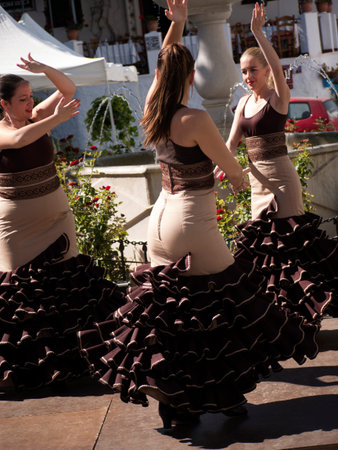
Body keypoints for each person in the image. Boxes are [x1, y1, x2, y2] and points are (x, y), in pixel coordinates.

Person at [78, 0, 320, 431]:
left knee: (175, 313)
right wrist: (246, 183)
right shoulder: (195, 117)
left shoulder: (154, 105)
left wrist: (179, 26)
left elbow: (161, 71)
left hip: (159, 223)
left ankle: (179, 403)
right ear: (191, 76)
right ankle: (221, 395)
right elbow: (230, 167)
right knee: (229, 303)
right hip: (193, 222)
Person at [0, 54, 125, 390]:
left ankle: (76, 360)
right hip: (16, 227)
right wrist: (53, 120)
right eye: (22, 99)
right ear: (4, 103)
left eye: (31, 97)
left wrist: (44, 71)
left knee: (67, 287)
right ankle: (23, 370)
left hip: (57, 217)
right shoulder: (4, 130)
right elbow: (19, 141)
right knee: (19, 293)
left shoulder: (37, 116)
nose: (31, 104)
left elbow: (68, 88)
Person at [224, 2, 337, 320]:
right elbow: (230, 145)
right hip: (258, 185)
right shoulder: (243, 103)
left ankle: (303, 313)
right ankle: (276, 316)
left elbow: (276, 69)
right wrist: (221, 167)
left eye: (252, 70)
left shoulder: (278, 98)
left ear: (265, 71)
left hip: (283, 182)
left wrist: (258, 33)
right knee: (262, 253)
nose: (247, 76)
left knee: (291, 249)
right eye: (243, 71)